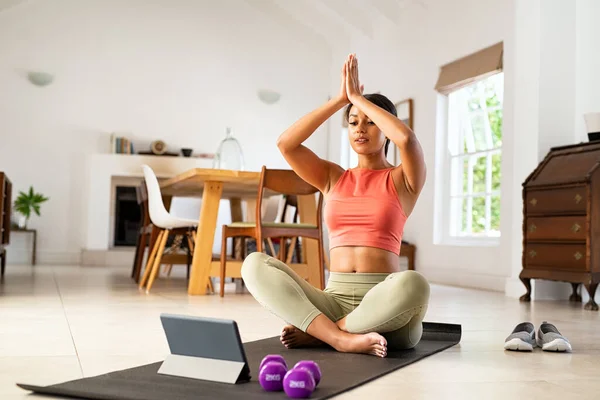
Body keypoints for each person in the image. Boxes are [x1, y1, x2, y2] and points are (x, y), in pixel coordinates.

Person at [241, 54, 429, 358]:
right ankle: (340, 337)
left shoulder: (403, 180)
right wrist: (341, 100)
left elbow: (407, 140)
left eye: (370, 122)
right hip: (333, 299)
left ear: (385, 128)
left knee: (414, 284)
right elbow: (286, 144)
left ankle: (322, 333)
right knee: (254, 264)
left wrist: (358, 97)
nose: (360, 129)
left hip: (386, 309)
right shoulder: (333, 177)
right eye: (353, 122)